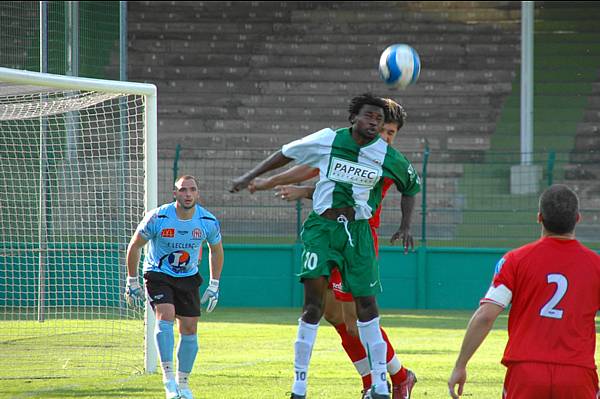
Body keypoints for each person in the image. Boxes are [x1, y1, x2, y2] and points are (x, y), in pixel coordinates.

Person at [230, 93, 421, 399]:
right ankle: (369, 381)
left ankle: (394, 378)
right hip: (326, 232)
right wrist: (267, 180)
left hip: (358, 236)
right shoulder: (339, 144)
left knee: (354, 318)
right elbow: (316, 169)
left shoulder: (384, 161)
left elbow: (324, 180)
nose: (382, 132)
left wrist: (290, 188)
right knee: (333, 316)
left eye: (389, 130)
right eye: (377, 123)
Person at [448, 184, 600, 399]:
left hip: (526, 372)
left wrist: (460, 365)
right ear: (578, 218)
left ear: (539, 217)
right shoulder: (596, 266)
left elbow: (486, 316)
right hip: (577, 373)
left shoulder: (515, 260)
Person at [125, 175, 224, 399]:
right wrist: (132, 280)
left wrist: (214, 284)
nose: (187, 194)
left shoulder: (207, 221)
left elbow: (216, 250)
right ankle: (168, 380)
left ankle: (183, 384)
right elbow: (135, 245)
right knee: (166, 315)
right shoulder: (158, 217)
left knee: (189, 328)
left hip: (188, 277)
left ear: (198, 194)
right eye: (182, 190)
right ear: (174, 193)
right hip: (158, 273)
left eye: (192, 190)